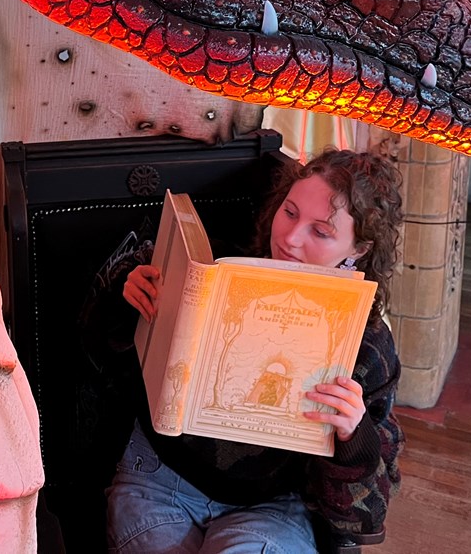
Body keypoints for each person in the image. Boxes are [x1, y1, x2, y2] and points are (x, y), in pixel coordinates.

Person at [107, 149, 405, 554]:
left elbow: (365, 514)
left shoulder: (368, 346)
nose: (290, 238)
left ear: (359, 249)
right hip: (163, 477)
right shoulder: (216, 271)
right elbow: (104, 362)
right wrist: (128, 297)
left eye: (321, 232)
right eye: (290, 212)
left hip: (274, 504)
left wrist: (355, 434)